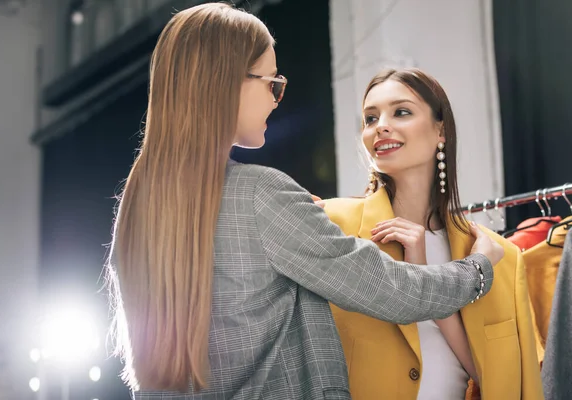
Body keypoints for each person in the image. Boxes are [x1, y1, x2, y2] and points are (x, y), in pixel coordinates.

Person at [105, 4, 504, 399]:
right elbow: (393, 291)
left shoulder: (138, 209)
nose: (277, 99)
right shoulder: (261, 194)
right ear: (228, 82)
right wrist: (479, 268)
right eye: (271, 84)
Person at [321, 68, 542, 399]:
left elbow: (497, 379)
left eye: (402, 112)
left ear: (441, 129)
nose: (380, 125)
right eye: (370, 118)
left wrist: (425, 277)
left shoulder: (499, 256)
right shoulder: (333, 225)